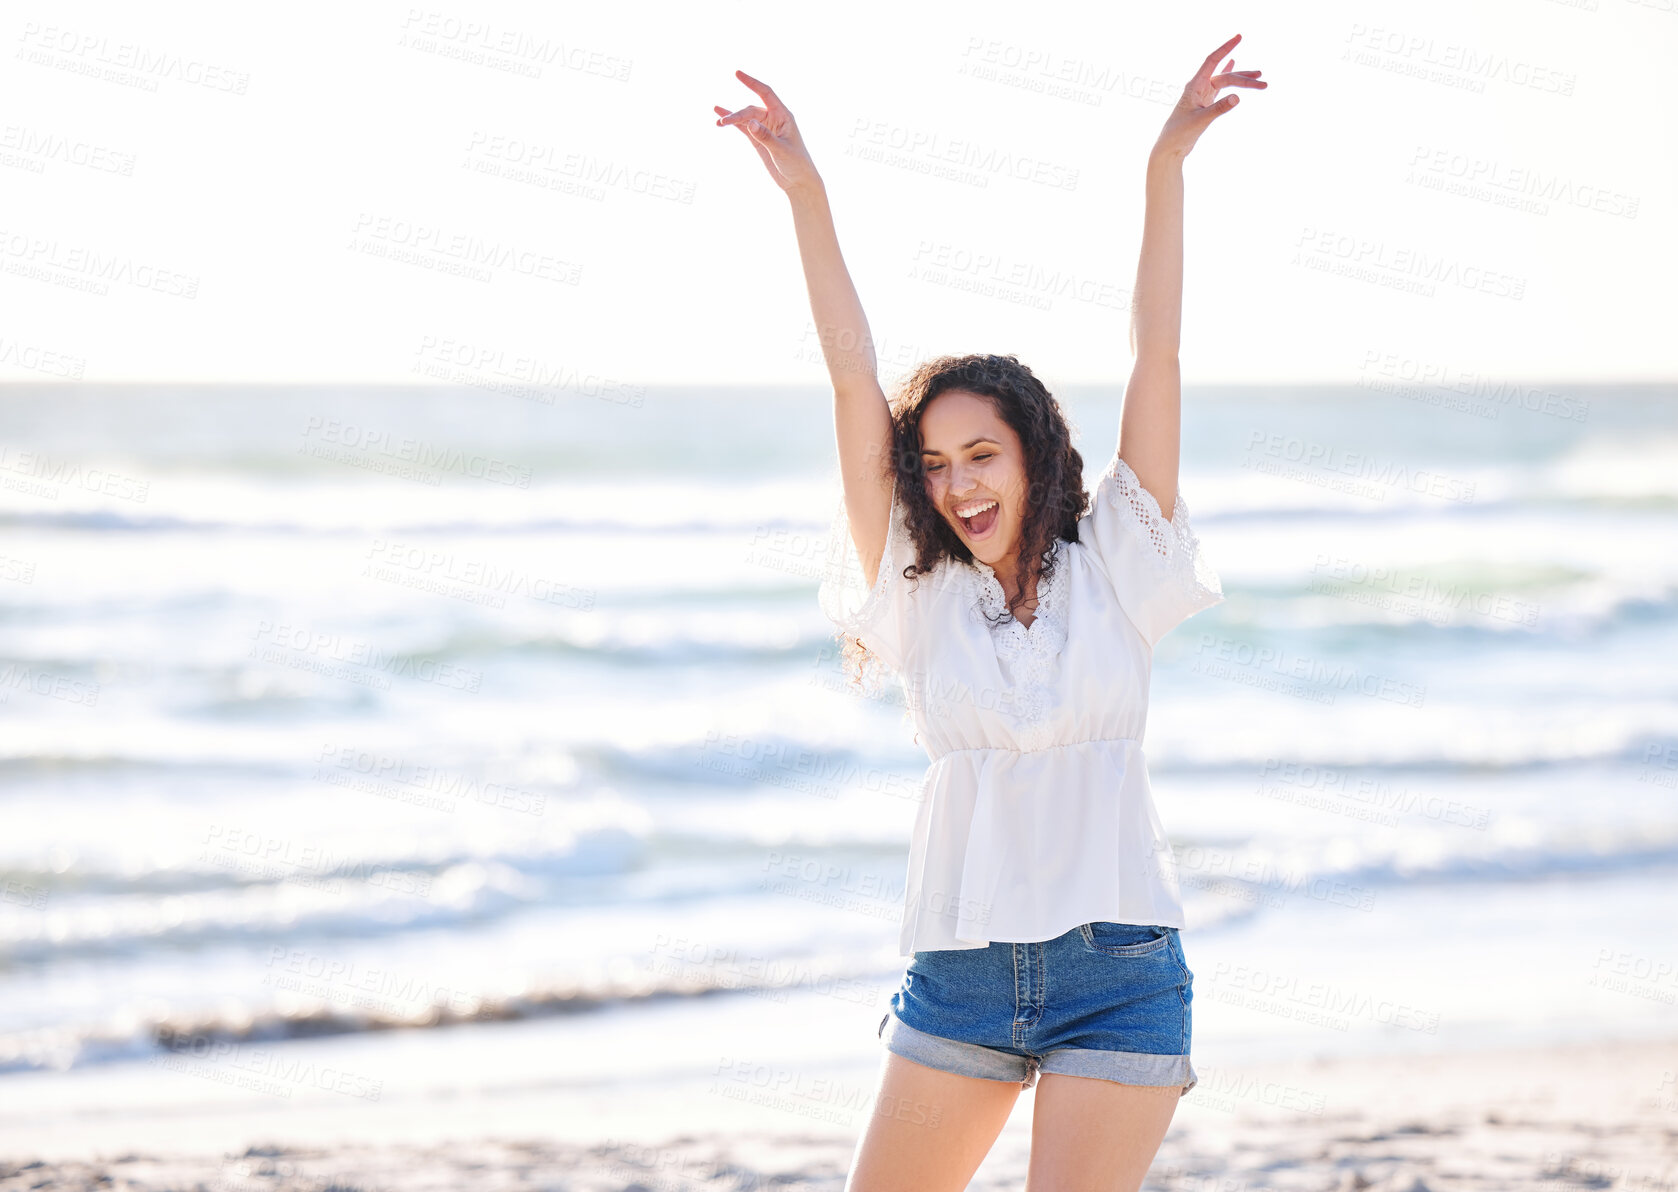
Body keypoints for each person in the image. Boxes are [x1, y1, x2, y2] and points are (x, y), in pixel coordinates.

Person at [715, 36, 1265, 1192]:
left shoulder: (1120, 558)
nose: (960, 484)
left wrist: (1166, 162)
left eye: (982, 454)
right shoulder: (917, 593)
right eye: (936, 463)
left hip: (1117, 965)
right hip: (958, 973)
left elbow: (1154, 353)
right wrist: (805, 193)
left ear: (1035, 458)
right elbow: (848, 377)